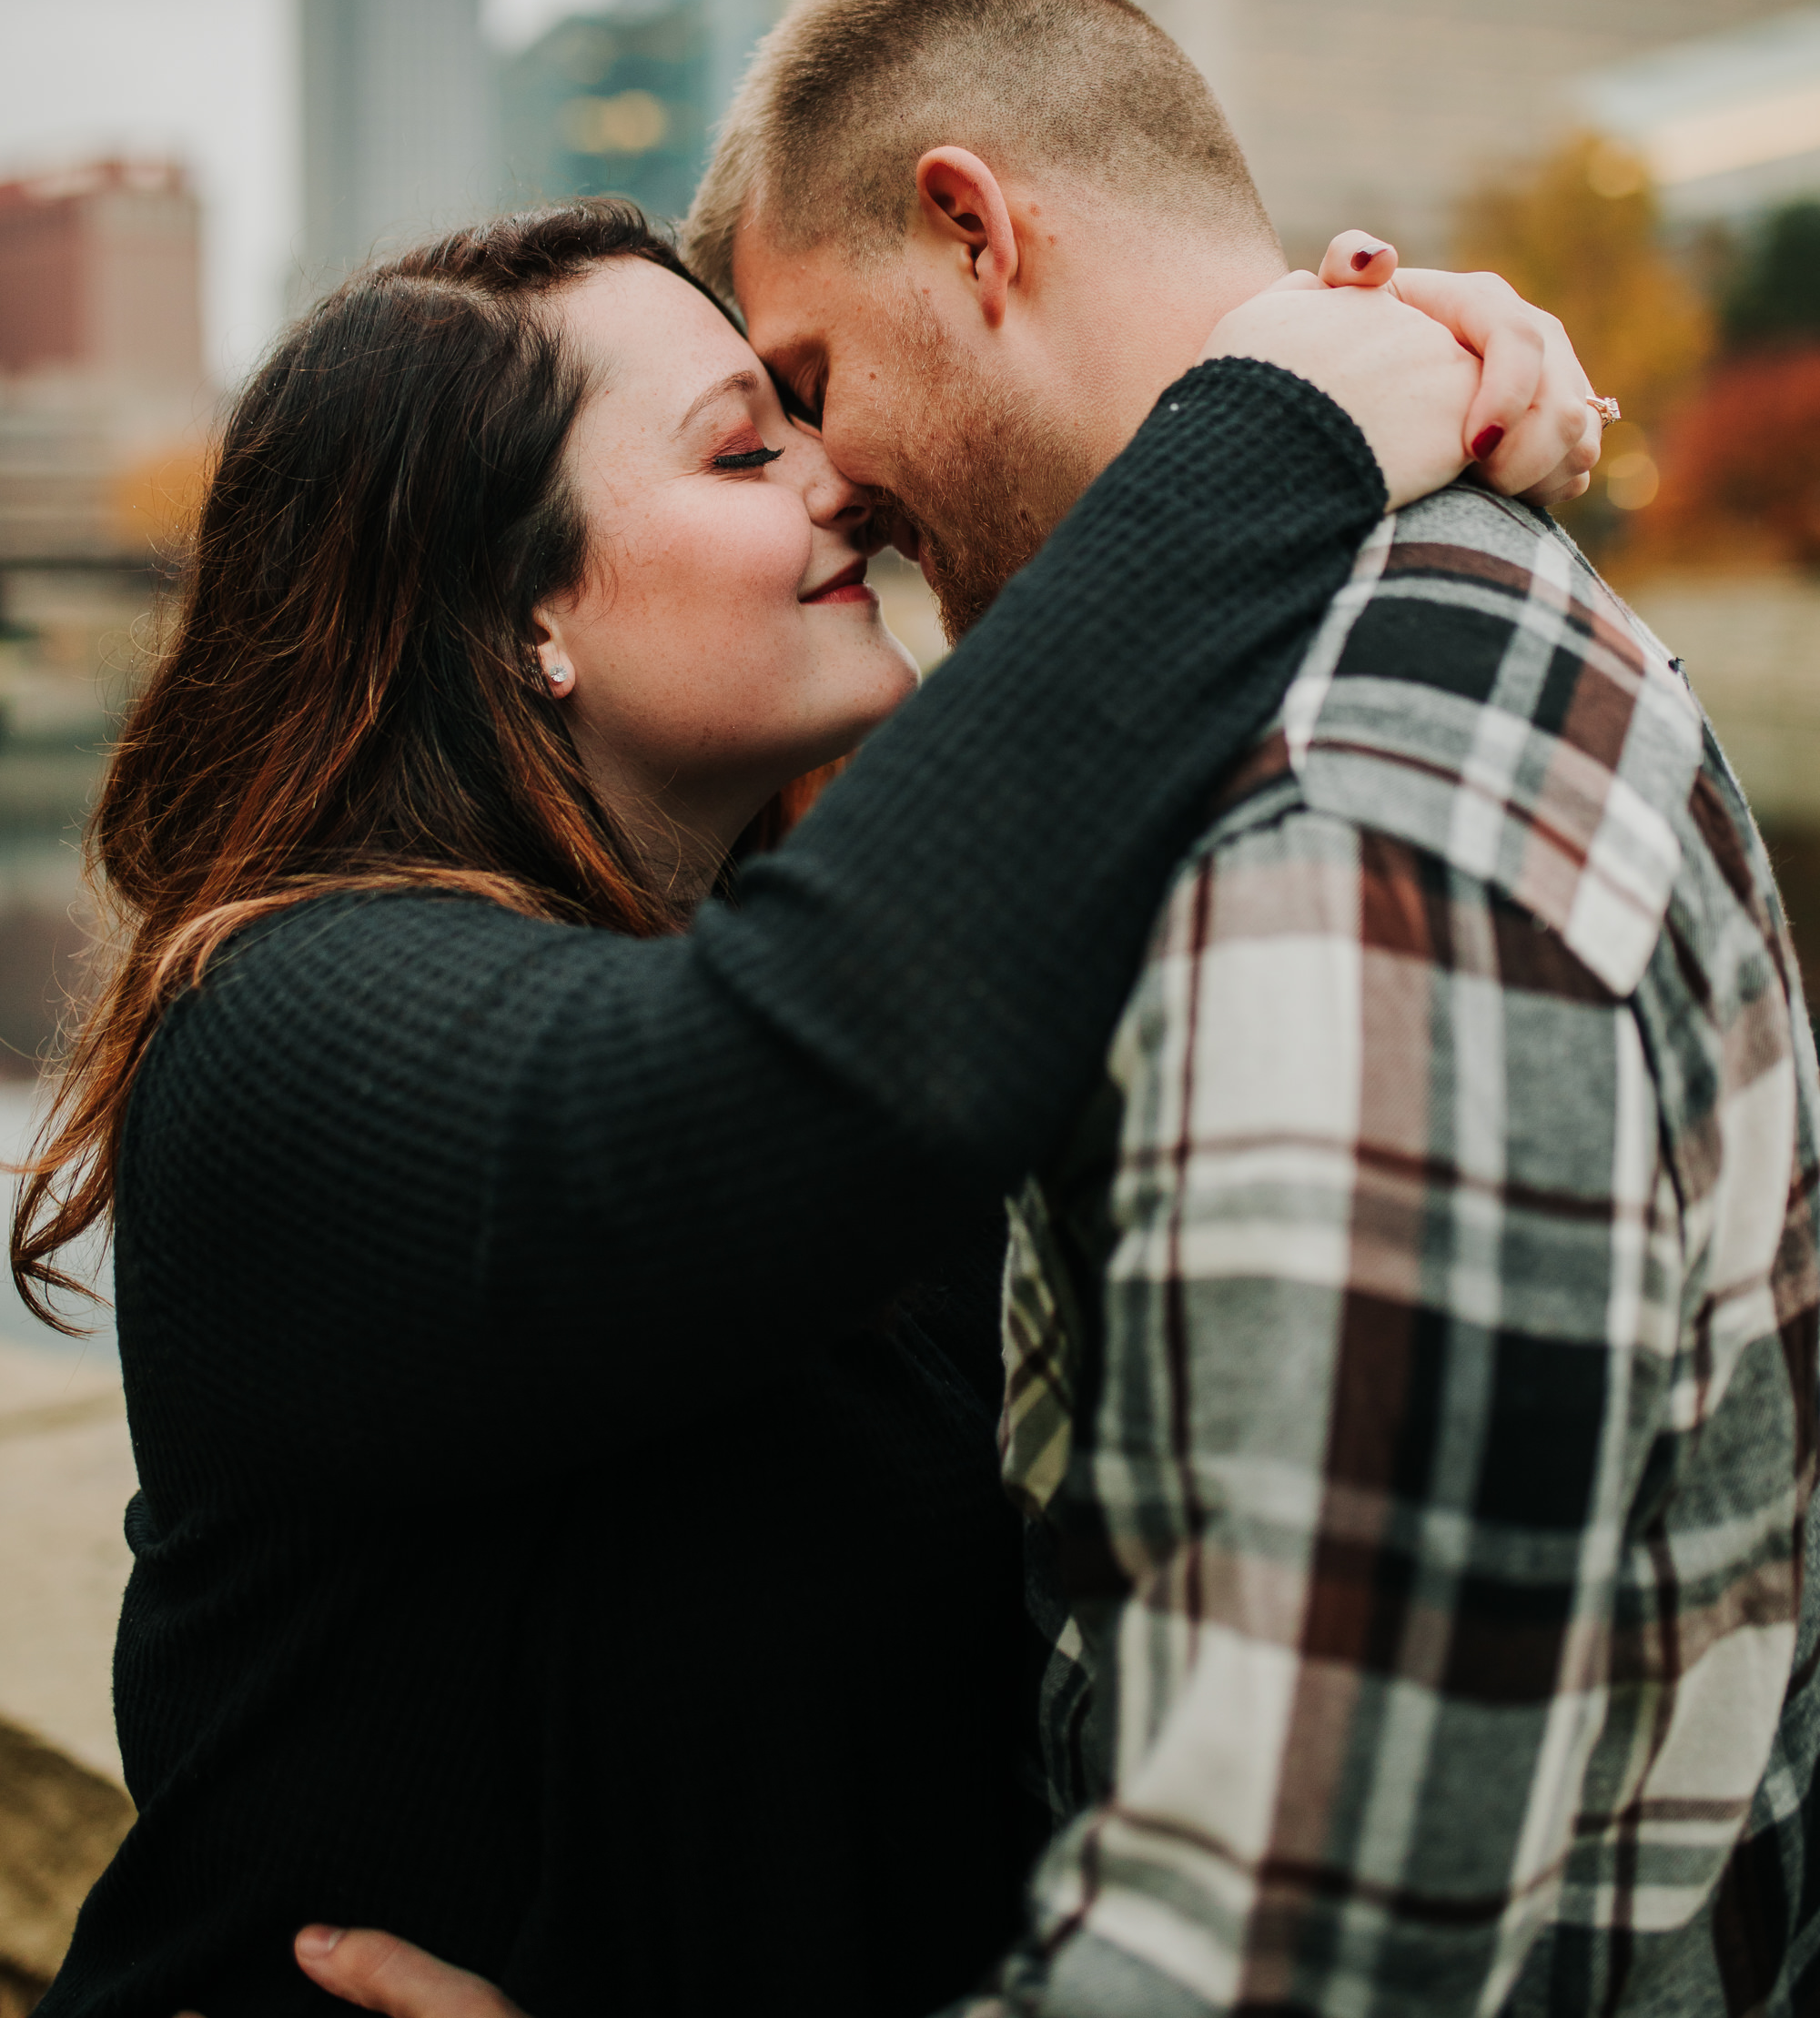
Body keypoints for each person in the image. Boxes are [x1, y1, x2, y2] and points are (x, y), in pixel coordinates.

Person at [302, 0, 1817, 2015]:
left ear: (971, 232)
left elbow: (1272, 1959)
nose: (833, 486)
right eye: (747, 448)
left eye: (804, 393)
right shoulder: (1482, 609)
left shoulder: (1326, 854)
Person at [14, 195, 1591, 2018]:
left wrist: (1398, 352)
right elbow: (784, 1086)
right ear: (521, 608)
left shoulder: (803, 961)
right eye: (742, 447)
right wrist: (1276, 414)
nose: (835, 477)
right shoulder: (278, 1028)